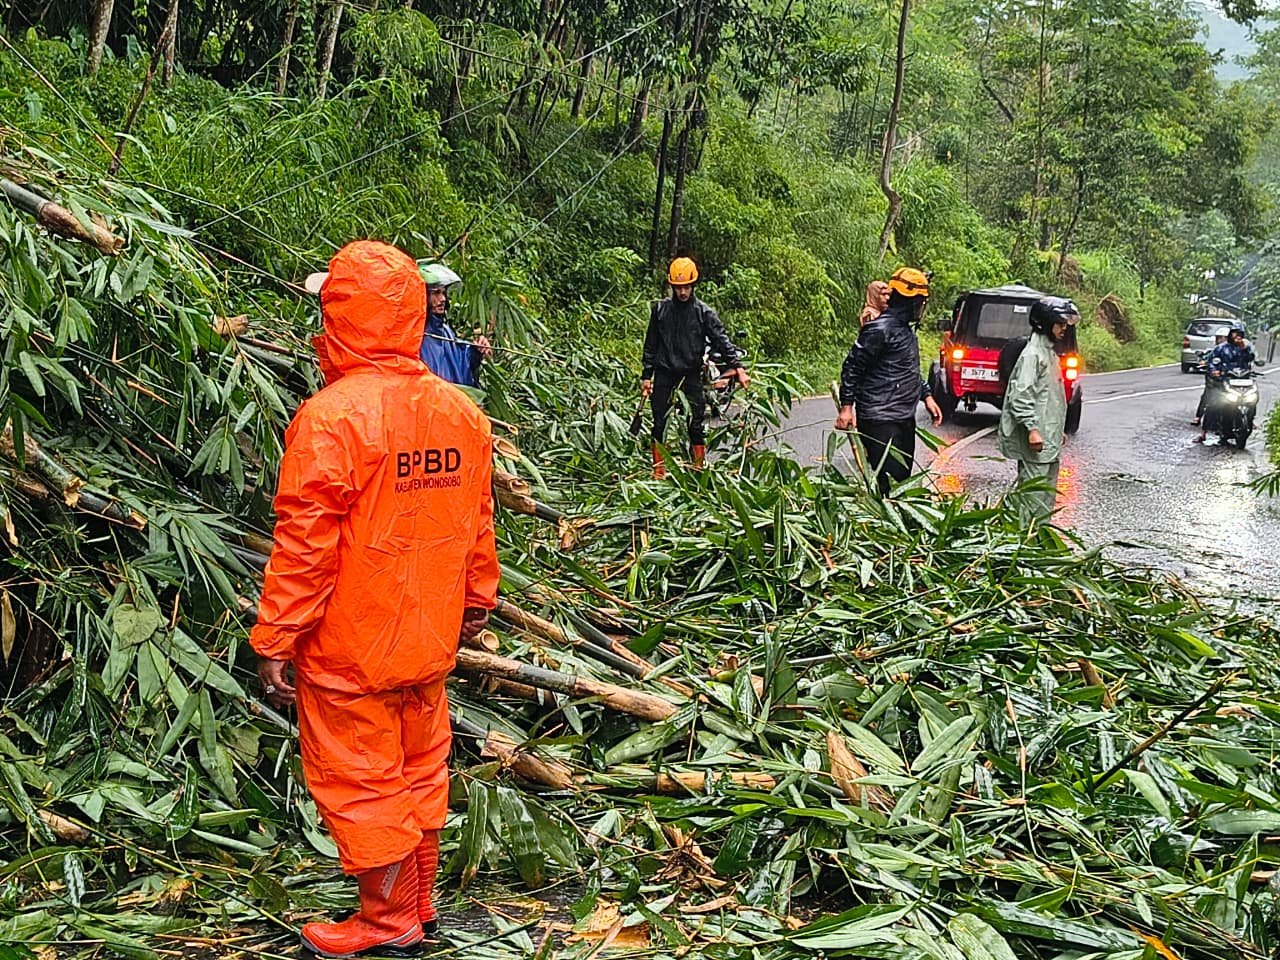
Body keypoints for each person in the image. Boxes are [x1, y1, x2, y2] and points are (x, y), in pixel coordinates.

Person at [256, 240, 500, 957]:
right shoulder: (461, 414)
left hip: (351, 646)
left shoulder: (330, 419)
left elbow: (305, 548)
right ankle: (417, 906)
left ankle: (388, 922)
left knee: (363, 780)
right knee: (420, 768)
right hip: (429, 637)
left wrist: (275, 638)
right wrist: (476, 599)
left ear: (342, 318)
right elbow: (477, 522)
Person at [835, 267, 943, 494]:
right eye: (922, 303)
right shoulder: (879, 329)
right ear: (913, 303)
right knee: (888, 487)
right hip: (880, 419)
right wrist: (846, 408)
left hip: (903, 417)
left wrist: (927, 396)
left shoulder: (904, 331)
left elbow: (906, 370)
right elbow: (853, 366)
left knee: (901, 481)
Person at [641, 257, 749, 478]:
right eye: (678, 287)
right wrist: (646, 376)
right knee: (659, 423)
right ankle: (658, 471)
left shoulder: (703, 313)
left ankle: (698, 469)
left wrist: (738, 367)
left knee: (695, 424)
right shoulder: (660, 311)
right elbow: (650, 345)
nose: (682, 292)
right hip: (664, 374)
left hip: (691, 375)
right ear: (672, 286)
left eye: (686, 287)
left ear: (693, 285)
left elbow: (721, 340)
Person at [997, 296, 1079, 523]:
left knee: (1045, 497)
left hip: (1048, 438)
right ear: (1045, 323)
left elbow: (1048, 398)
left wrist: (1057, 430)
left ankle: (1039, 536)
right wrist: (1032, 429)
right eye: (1059, 324)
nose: (1064, 329)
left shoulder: (1048, 352)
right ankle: (1024, 537)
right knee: (1031, 498)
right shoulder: (1033, 355)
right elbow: (1020, 396)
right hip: (1037, 440)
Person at [419, 262, 492, 387]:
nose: (443, 299)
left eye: (443, 293)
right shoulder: (415, 333)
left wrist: (476, 350)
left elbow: (461, 361)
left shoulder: (444, 331)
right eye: (436, 293)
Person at [1195, 325, 1256, 443]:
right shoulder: (1221, 348)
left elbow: (1251, 359)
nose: (1237, 337)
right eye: (1235, 334)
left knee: (1252, 399)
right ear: (1230, 335)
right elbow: (1213, 362)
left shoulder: (1245, 348)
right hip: (1224, 381)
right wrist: (1214, 371)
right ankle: (1203, 433)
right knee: (1214, 404)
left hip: (1242, 381)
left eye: (1239, 334)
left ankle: (1250, 419)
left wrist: (1245, 349)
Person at [1191, 332, 1227, 427]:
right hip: (1215, 379)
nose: (1220, 340)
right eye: (1219, 338)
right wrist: (1204, 362)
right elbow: (1207, 358)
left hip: (1230, 379)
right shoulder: (1215, 350)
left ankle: (1248, 419)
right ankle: (1198, 416)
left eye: (1223, 338)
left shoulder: (1237, 351)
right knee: (1207, 395)